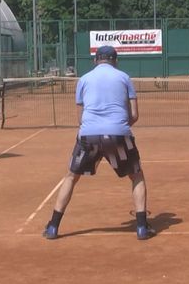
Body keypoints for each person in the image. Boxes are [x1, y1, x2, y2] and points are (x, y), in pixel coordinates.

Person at [43, 45, 155, 240]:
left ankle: (53, 226)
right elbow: (134, 115)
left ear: (96, 60)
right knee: (136, 175)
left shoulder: (84, 80)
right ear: (115, 60)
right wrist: (116, 128)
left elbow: (80, 119)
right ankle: (141, 228)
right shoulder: (124, 78)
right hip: (118, 134)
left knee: (71, 177)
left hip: (89, 136)